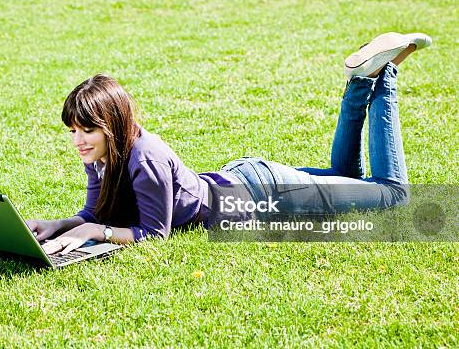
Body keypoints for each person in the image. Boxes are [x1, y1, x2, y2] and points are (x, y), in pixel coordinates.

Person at [26, 32, 432, 254]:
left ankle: (385, 74)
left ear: (111, 125)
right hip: (244, 181)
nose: (78, 140)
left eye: (87, 130)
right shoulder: (102, 153)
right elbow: (94, 211)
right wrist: (59, 226)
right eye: (74, 131)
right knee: (347, 178)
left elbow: (154, 235)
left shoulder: (143, 158)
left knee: (392, 194)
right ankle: (361, 81)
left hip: (263, 195)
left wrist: (97, 232)